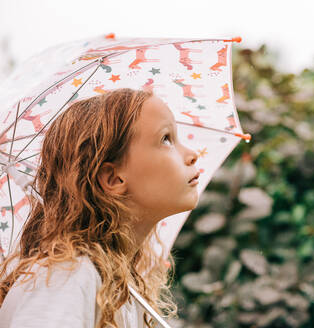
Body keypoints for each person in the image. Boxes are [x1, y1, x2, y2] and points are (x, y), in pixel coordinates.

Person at [0, 88, 200, 327]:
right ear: (114, 179)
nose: (192, 154)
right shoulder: (65, 278)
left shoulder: (119, 285)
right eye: (166, 138)